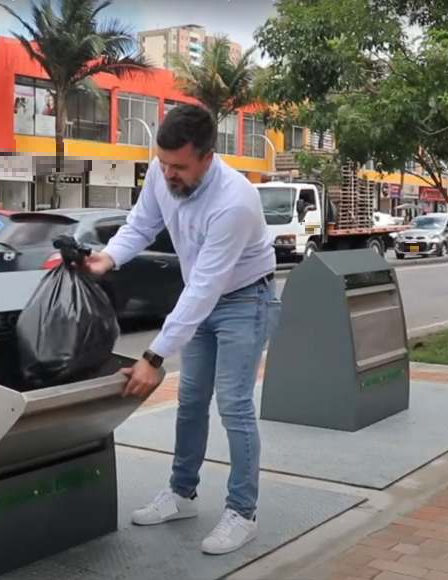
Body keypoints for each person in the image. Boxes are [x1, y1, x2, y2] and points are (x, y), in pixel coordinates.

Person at [85, 104, 279, 555]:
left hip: (246, 299)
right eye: (164, 163)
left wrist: (153, 357)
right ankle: (181, 493)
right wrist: (108, 258)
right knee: (190, 400)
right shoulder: (161, 171)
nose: (169, 174)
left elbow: (207, 285)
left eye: (180, 166)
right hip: (204, 298)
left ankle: (242, 512)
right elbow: (142, 223)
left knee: (233, 404)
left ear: (207, 157)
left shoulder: (235, 201)